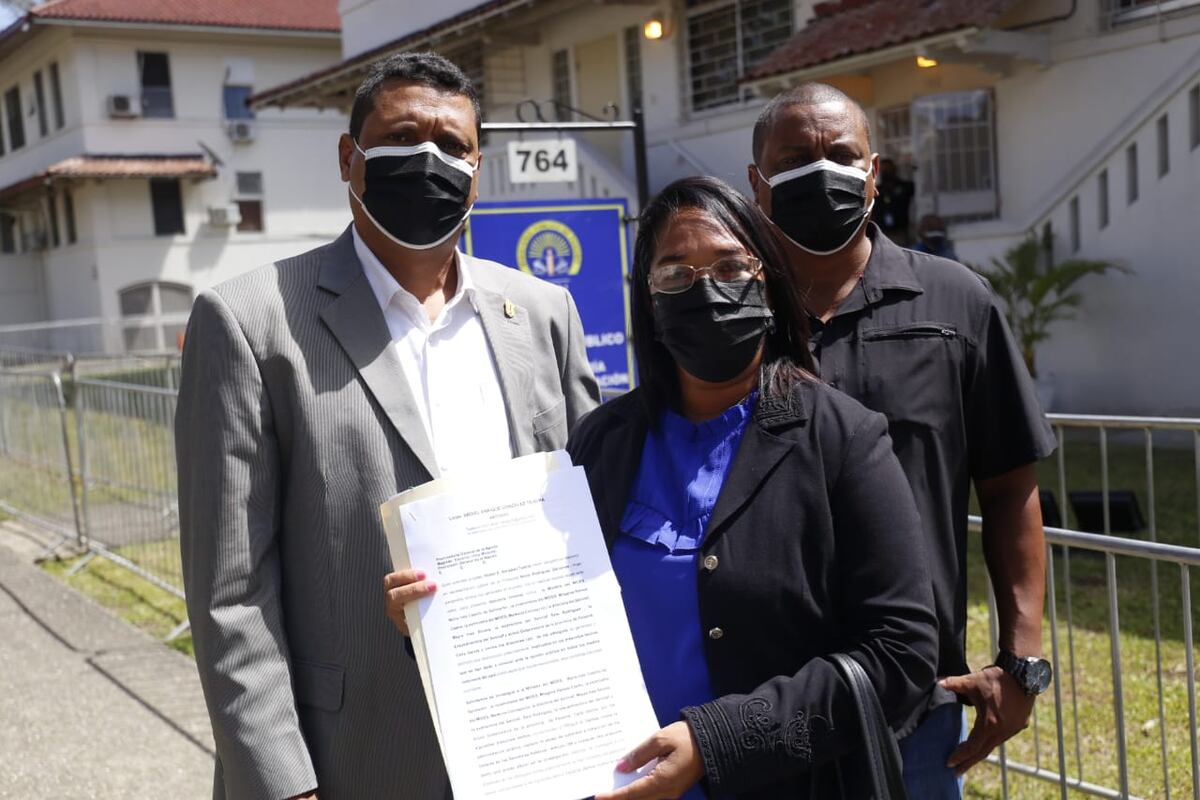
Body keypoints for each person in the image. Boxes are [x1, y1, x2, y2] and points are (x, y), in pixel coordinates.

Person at [386, 176, 938, 798]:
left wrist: (719, 741)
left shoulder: (843, 439)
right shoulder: (601, 444)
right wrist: (439, 623)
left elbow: (903, 650)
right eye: (675, 274)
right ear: (648, 302)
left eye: (731, 265)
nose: (705, 289)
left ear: (770, 281)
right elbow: (545, 618)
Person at [176, 52, 599, 800]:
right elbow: (230, 589)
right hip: (350, 757)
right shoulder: (250, 321)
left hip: (532, 736)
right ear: (351, 157)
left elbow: (588, 518)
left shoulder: (542, 313)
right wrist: (282, 781)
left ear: (477, 167)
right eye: (403, 138)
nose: (428, 161)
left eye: (453, 146)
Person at [748, 82, 1056, 798]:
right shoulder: (725, 315)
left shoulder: (956, 303)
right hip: (752, 705)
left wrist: (1023, 661)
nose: (820, 173)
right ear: (757, 185)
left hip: (913, 707)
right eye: (794, 160)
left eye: (842, 155)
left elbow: (1010, 489)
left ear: (875, 172)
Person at [874, 157, 915, 245]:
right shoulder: (877, 190)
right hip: (882, 232)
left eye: (888, 169)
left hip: (901, 229)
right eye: (883, 169)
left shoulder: (905, 187)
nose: (885, 171)